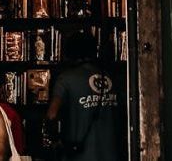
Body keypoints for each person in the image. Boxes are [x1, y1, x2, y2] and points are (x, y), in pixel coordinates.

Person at [46, 31, 120, 161]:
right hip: (111, 154)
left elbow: (52, 115)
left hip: (79, 156)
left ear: (70, 52)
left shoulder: (65, 79)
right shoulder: (110, 77)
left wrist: (57, 142)